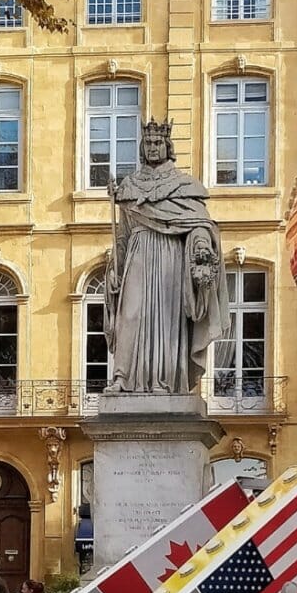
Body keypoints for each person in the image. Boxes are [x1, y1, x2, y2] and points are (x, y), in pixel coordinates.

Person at [104, 118, 228, 395]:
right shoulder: (129, 186)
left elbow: (200, 225)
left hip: (171, 256)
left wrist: (201, 250)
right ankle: (123, 377)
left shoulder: (185, 185)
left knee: (166, 320)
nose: (153, 148)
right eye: (148, 143)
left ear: (168, 146)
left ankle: (165, 379)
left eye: (158, 143)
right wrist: (115, 268)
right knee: (130, 315)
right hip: (138, 254)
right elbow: (123, 235)